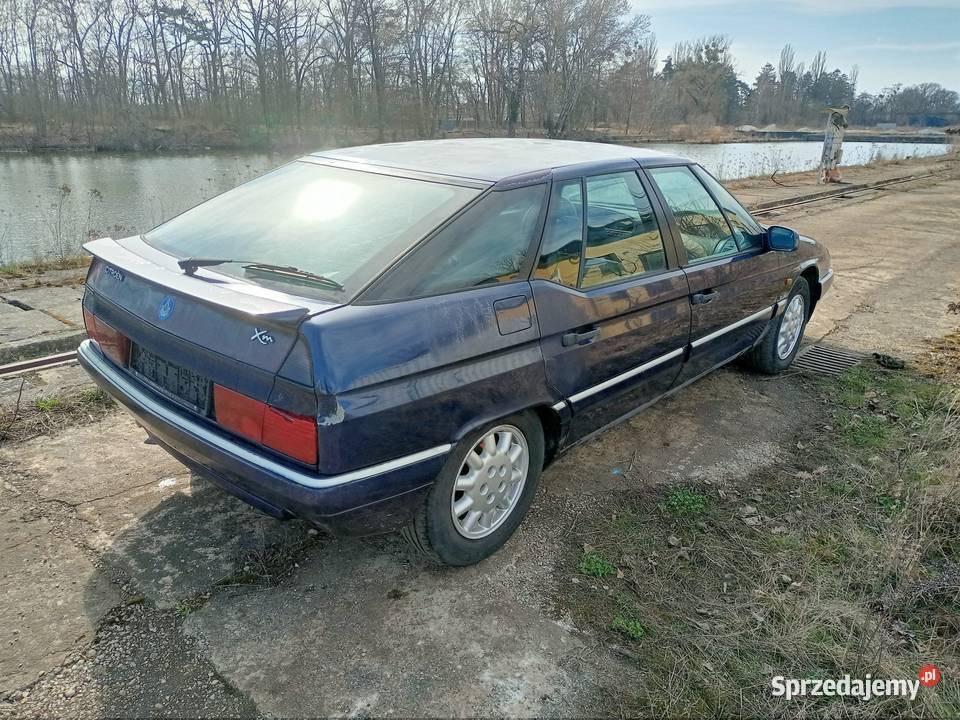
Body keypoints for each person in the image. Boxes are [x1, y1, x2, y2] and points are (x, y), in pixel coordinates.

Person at [819, 104, 849, 184]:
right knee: (828, 159)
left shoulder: (840, 116)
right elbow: (845, 125)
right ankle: (826, 175)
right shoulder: (837, 115)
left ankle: (827, 175)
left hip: (835, 139)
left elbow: (844, 125)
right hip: (832, 138)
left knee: (831, 160)